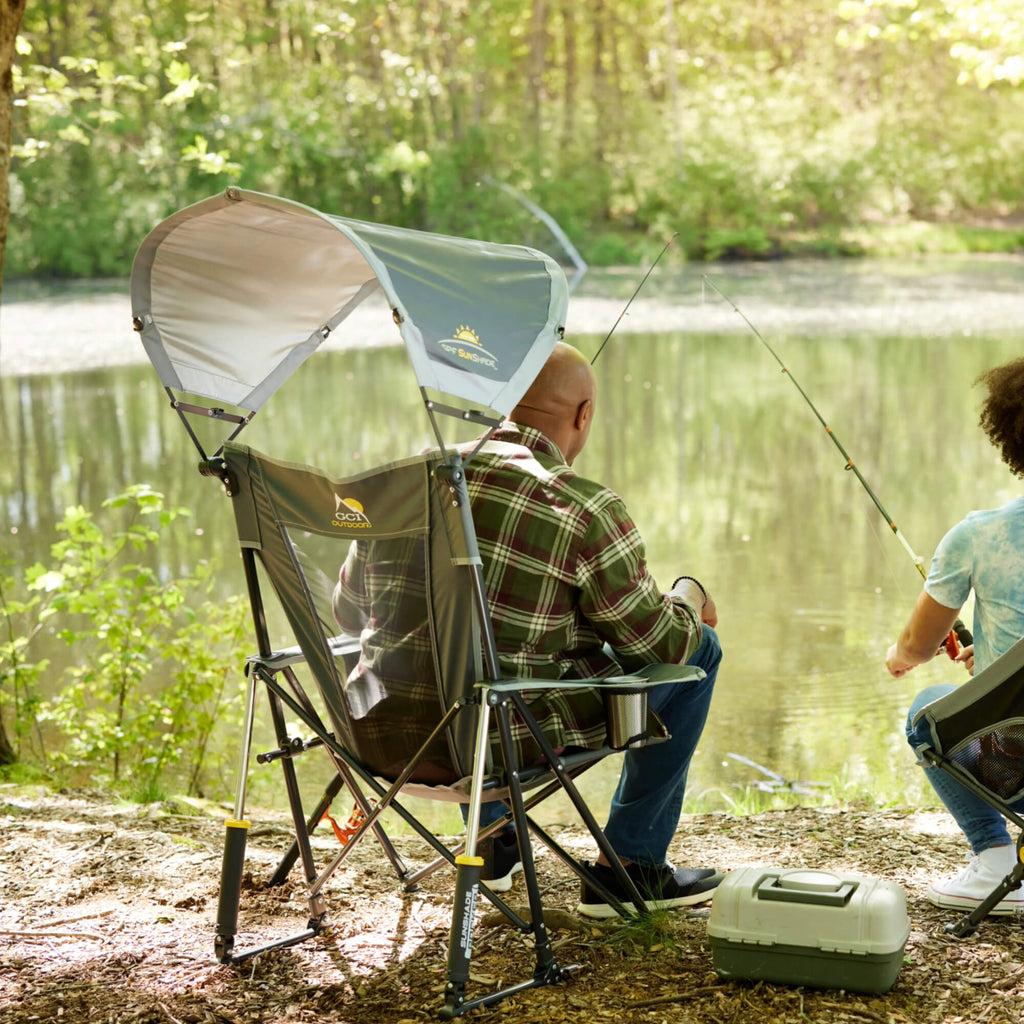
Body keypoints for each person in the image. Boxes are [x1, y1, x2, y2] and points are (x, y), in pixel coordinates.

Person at [334, 341, 723, 918]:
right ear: (583, 414)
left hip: (378, 733)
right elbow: (662, 645)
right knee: (702, 650)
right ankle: (632, 868)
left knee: (489, 659)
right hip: (492, 742)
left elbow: (348, 613)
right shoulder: (584, 507)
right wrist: (689, 596)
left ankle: (492, 851)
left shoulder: (407, 483)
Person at [887, 356, 1024, 915]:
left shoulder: (980, 536)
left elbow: (918, 647)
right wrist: (994, 663)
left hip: (1018, 753)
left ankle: (995, 857)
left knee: (926, 711)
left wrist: (899, 657)